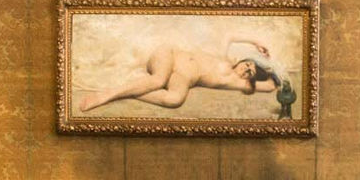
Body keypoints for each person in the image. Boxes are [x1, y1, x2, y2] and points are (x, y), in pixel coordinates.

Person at [79, 37, 282, 112]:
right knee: (158, 80)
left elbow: (271, 85)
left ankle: (130, 89)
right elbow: (230, 36)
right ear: (243, 60)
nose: (245, 69)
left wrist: (269, 66)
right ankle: (107, 95)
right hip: (168, 55)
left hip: (181, 78)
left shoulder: (236, 83)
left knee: (175, 99)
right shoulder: (225, 57)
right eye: (247, 64)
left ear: (249, 78)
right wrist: (256, 42)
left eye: (249, 72)